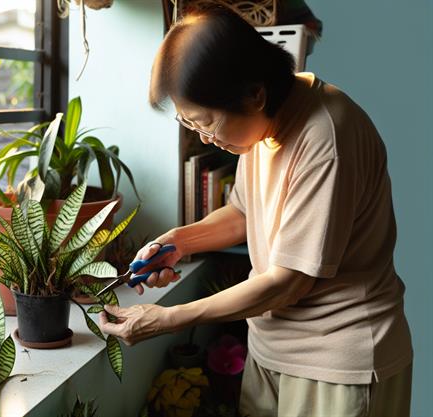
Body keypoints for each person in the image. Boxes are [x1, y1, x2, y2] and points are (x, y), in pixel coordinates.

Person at [97, 5, 413, 417]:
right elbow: (244, 213)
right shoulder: (262, 127)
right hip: (271, 347)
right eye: (192, 126)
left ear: (255, 93)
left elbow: (288, 282)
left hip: (338, 362)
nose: (206, 139)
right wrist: (176, 241)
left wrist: (169, 319)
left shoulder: (326, 138)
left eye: (207, 123)